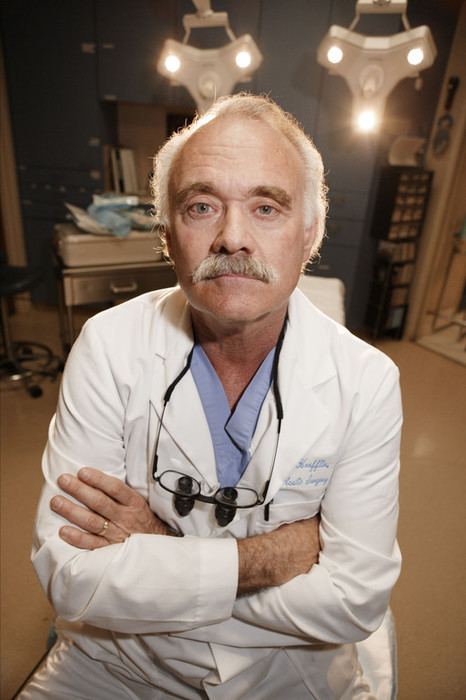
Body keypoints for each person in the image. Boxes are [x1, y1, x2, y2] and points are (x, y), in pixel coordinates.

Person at [21, 93, 402, 699]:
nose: (233, 237)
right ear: (168, 233)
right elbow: (72, 580)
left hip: (288, 672)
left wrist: (155, 551)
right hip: (121, 660)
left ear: (310, 233)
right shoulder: (109, 345)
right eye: (202, 205)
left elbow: (352, 603)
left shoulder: (366, 380)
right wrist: (273, 558)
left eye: (267, 207)